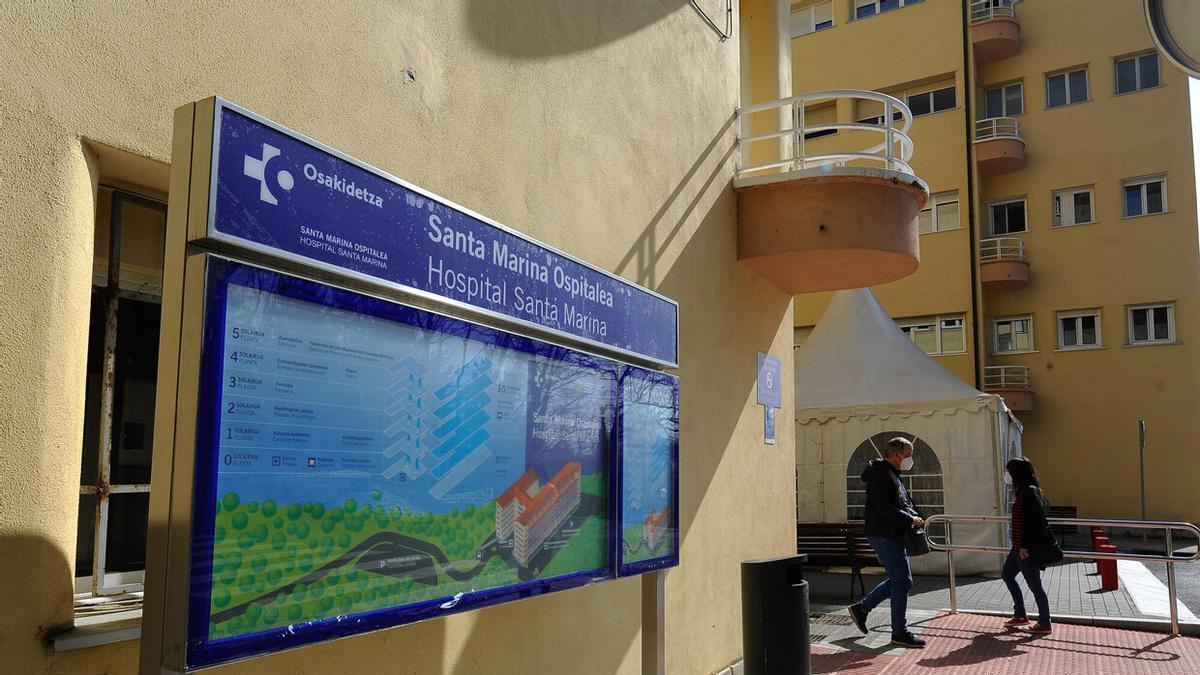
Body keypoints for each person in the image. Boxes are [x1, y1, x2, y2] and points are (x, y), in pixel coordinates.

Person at [847, 437, 926, 648]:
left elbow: (900, 502)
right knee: (903, 581)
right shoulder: (881, 475)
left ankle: (861, 609)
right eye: (908, 455)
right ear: (896, 454)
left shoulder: (891, 474)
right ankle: (899, 632)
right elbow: (884, 507)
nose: (911, 459)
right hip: (884, 534)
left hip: (890, 533)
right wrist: (910, 518)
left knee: (898, 580)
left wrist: (913, 515)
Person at [1001, 457, 1055, 634]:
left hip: (1026, 550)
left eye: (1009, 471)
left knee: (1035, 586)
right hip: (1017, 549)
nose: (1007, 475)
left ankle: (1045, 622)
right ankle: (1020, 614)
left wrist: (1024, 546)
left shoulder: (1029, 494)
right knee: (1007, 575)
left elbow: (1034, 524)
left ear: (1016, 474)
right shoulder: (1024, 492)